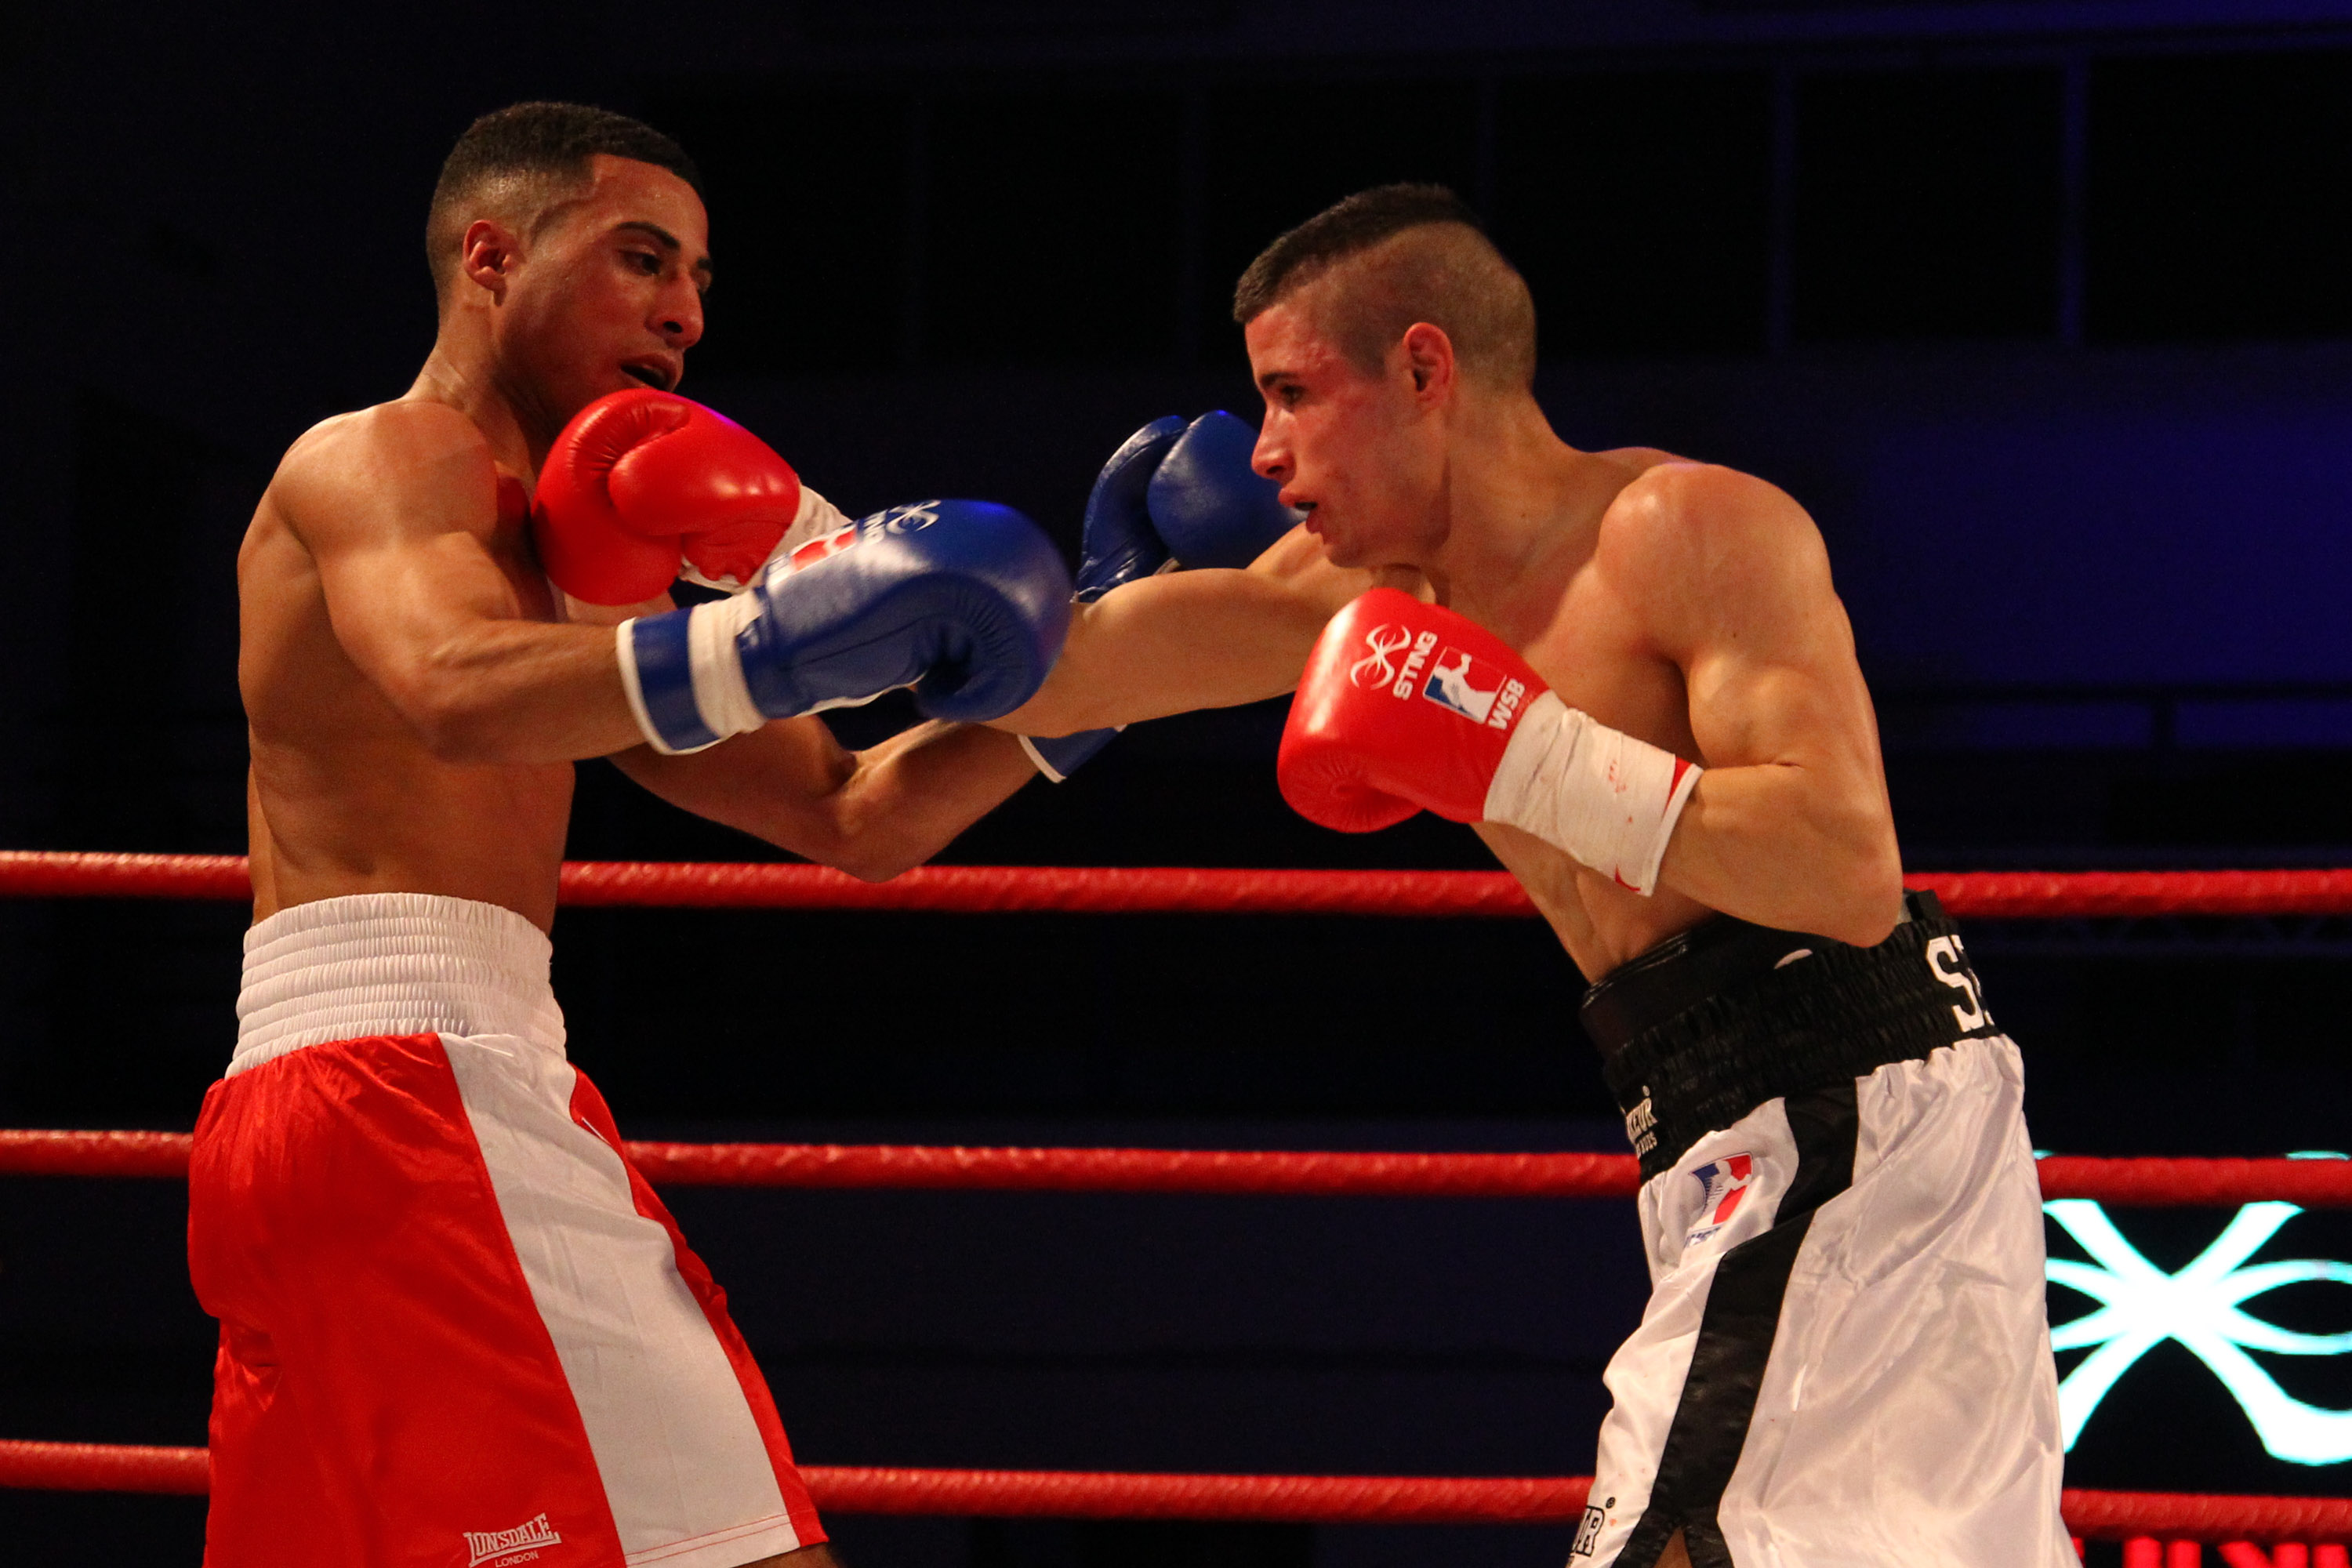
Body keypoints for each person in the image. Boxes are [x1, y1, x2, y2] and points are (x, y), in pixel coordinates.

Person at [191, 99, 1294, 1568]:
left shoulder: (584, 601)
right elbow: (454, 689)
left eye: (702, 279)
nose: (686, 313)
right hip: (418, 1099)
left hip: (312, 1128)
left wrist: (1106, 651)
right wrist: (772, 646)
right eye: (644, 258)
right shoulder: (385, 459)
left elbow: (857, 816)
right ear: (492, 256)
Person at [996, 185, 2071, 1566]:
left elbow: (1845, 868)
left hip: (1845, 1104)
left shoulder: (1682, 530)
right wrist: (791, 562)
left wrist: (1526, 753)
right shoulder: (1375, 601)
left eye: (1291, 394)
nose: (1260, 451)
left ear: (1425, 368)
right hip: (1716, 1120)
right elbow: (1059, 668)